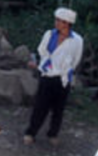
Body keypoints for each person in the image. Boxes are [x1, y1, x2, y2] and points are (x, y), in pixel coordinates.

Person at [25, 8, 84, 146]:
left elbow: (76, 59)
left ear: (67, 23)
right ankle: (31, 132)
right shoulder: (49, 34)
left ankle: (53, 134)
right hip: (47, 74)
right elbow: (42, 51)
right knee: (40, 106)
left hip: (63, 78)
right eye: (56, 20)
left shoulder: (77, 40)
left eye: (60, 21)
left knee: (59, 109)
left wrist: (65, 69)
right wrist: (44, 65)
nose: (56, 23)